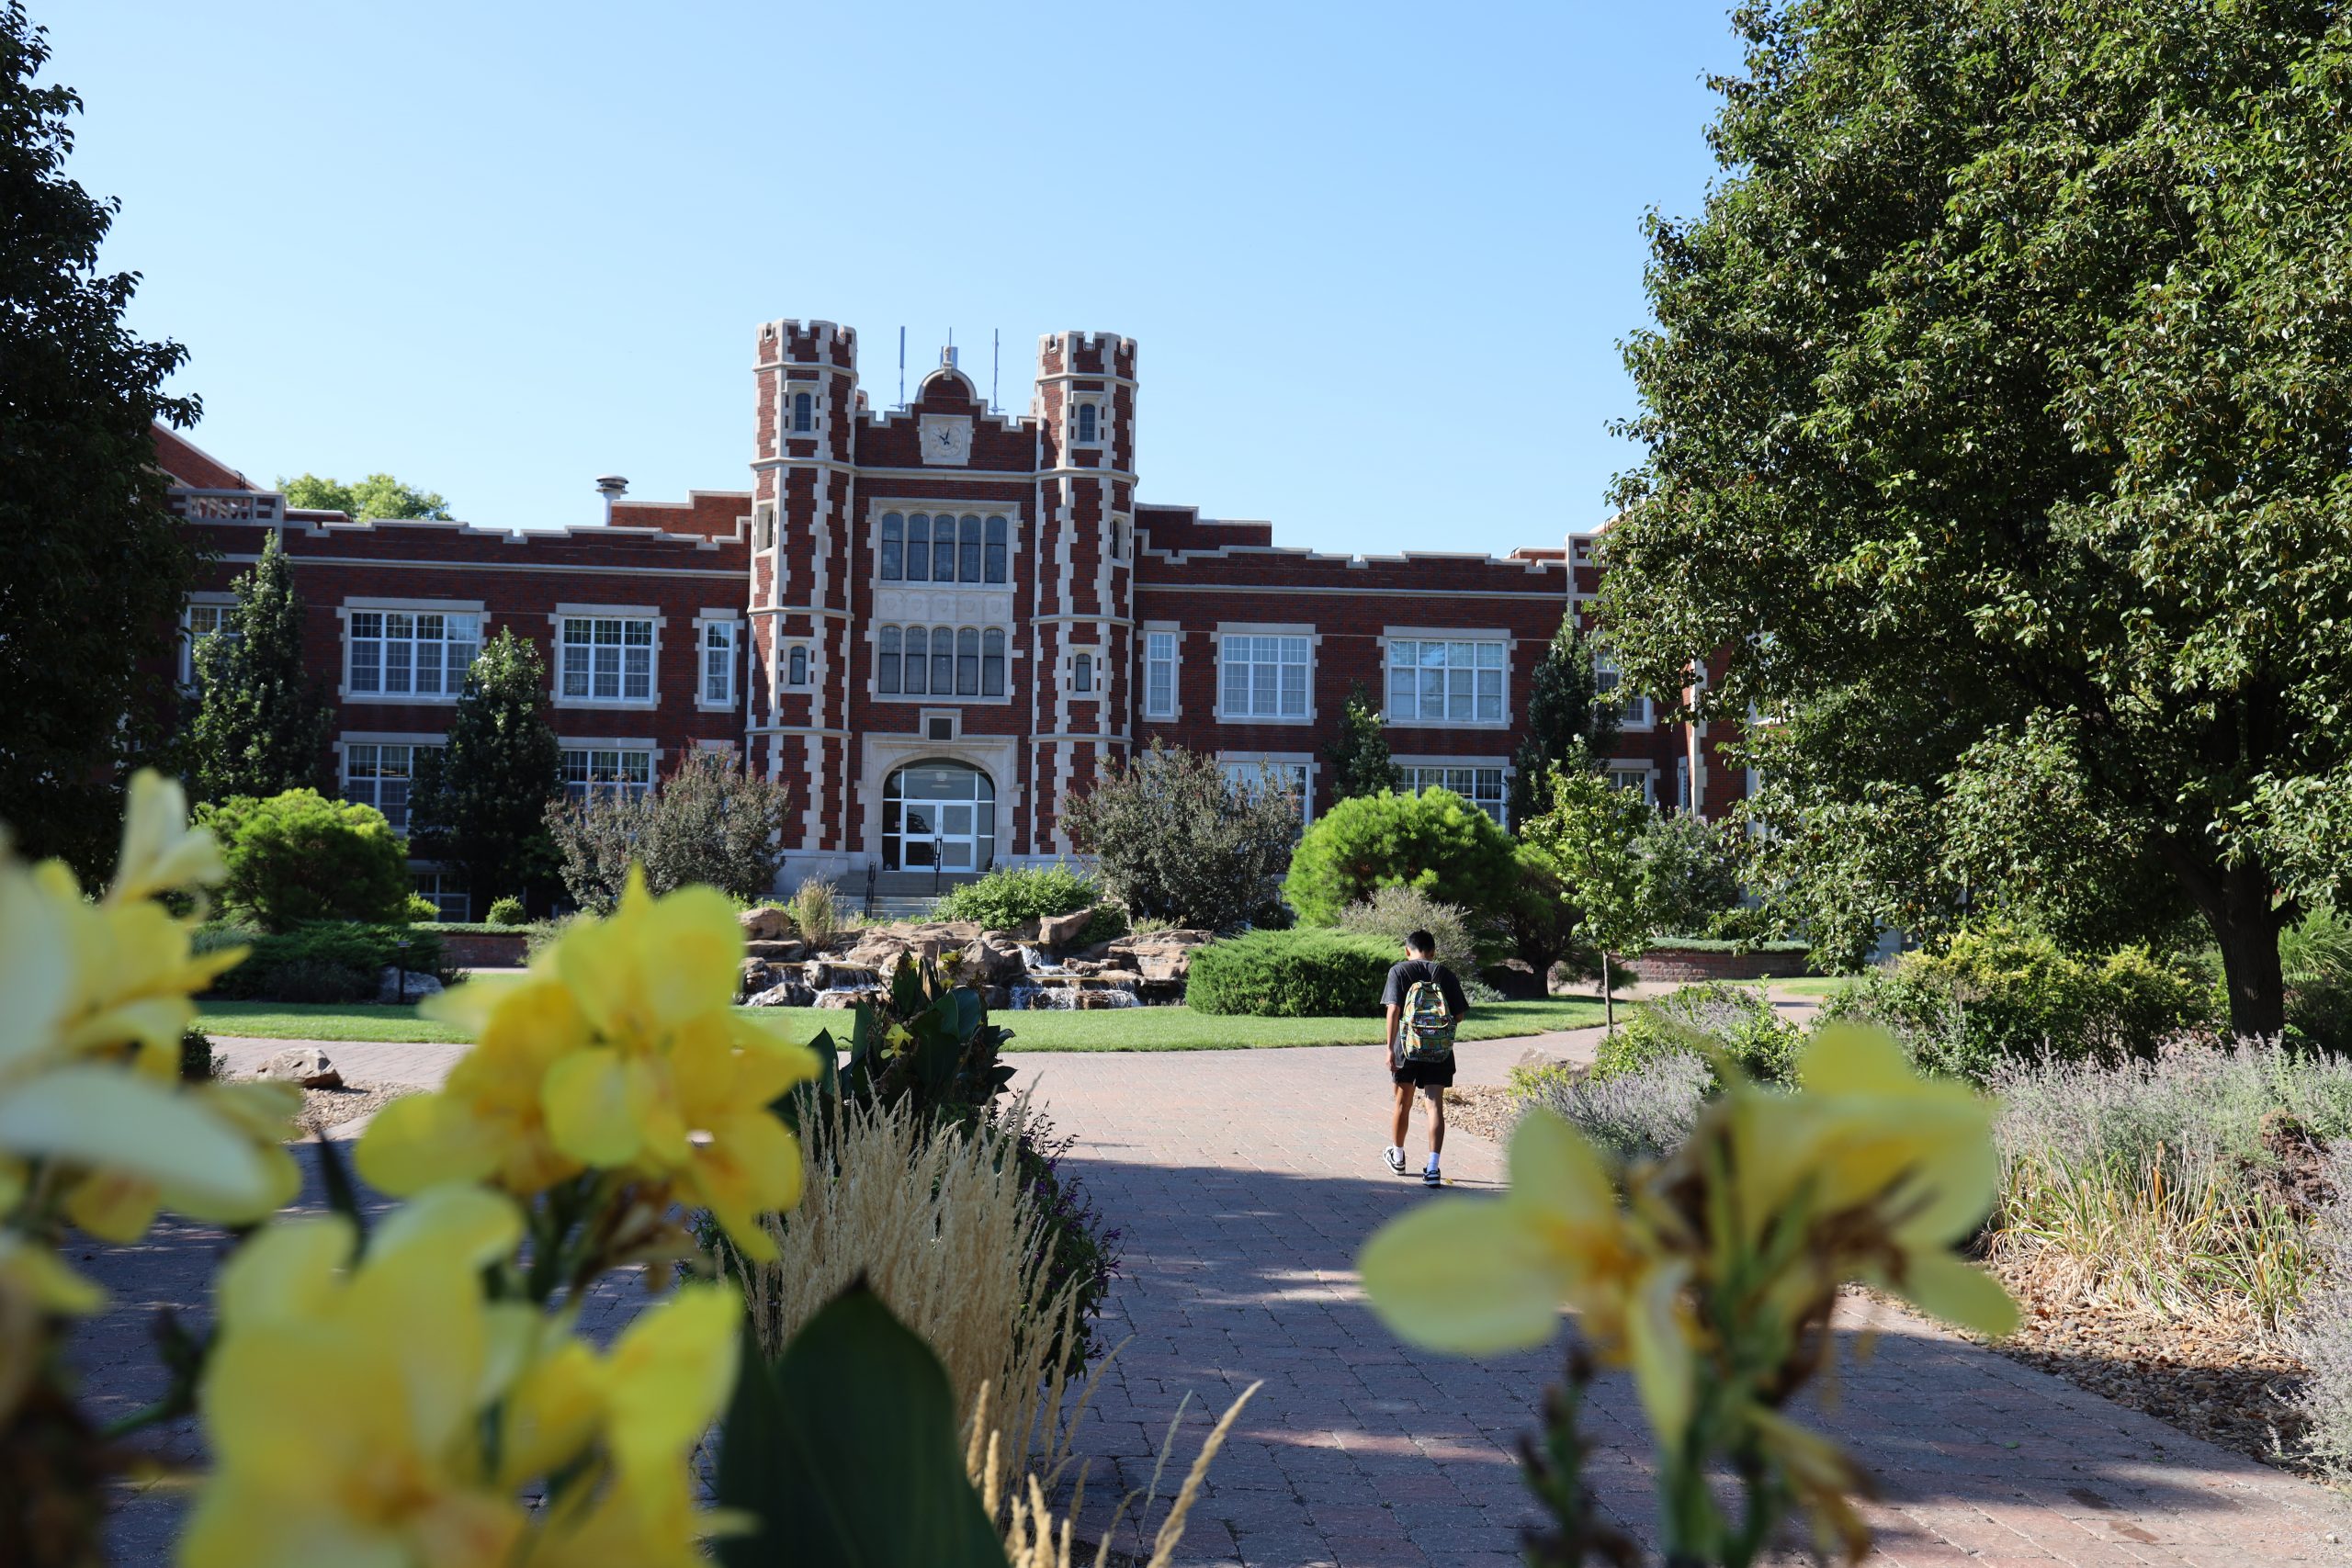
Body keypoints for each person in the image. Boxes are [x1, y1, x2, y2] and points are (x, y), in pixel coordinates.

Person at [1380, 929, 1467, 1187]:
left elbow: (1394, 1010)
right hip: (1439, 1050)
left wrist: (1388, 1048)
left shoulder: (1399, 971)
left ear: (1407, 950)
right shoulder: (1444, 973)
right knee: (1434, 1106)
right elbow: (1459, 1015)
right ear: (1433, 951)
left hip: (1406, 1049)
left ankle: (1397, 1156)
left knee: (1402, 1103)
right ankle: (1432, 1168)